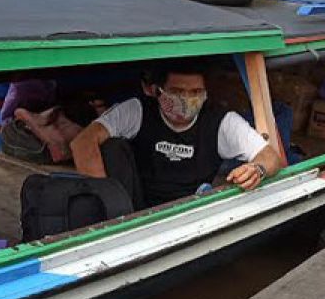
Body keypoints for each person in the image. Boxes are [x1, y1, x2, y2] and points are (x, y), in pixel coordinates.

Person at [70, 63, 284, 209]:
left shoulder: (221, 121)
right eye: (178, 91)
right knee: (112, 147)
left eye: (195, 92)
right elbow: (83, 142)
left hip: (190, 209)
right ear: (158, 90)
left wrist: (257, 169)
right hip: (135, 205)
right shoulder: (138, 110)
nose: (187, 100)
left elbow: (269, 156)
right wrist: (105, 199)